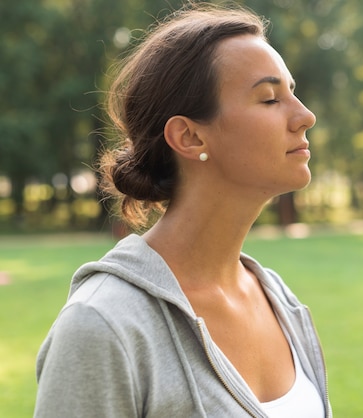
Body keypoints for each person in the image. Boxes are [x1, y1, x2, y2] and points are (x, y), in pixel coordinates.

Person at [34, 4, 331, 417]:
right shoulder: (102, 326)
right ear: (189, 137)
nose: (305, 116)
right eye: (269, 98)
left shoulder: (279, 299)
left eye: (292, 92)